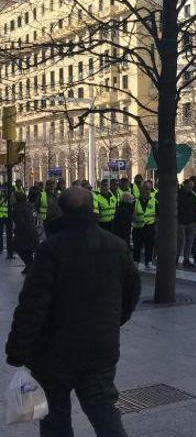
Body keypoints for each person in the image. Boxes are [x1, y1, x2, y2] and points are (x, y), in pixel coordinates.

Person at [5, 186, 141, 437]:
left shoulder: (51, 249)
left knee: (55, 414)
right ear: (92, 208)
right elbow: (132, 291)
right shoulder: (117, 246)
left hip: (55, 349)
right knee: (102, 407)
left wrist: (17, 349)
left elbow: (33, 305)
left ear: (61, 210)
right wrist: (113, 322)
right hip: (101, 346)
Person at [10, 190, 39, 274]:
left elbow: (20, 222)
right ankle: (30, 266)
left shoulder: (18, 208)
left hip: (24, 232)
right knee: (28, 249)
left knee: (19, 248)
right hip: (30, 231)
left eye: (13, 197)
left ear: (17, 199)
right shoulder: (25, 206)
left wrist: (16, 231)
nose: (11, 199)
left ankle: (30, 265)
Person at [132, 181, 157, 269]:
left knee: (149, 245)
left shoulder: (154, 201)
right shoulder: (135, 202)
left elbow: (158, 214)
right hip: (137, 228)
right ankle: (136, 262)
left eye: (148, 190)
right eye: (144, 189)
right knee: (137, 246)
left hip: (149, 227)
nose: (146, 192)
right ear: (141, 191)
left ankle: (148, 262)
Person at [177, 178, 196, 267]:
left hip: (191, 222)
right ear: (185, 185)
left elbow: (195, 209)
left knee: (189, 242)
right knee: (180, 242)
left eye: (191, 186)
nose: (190, 188)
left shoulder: (192, 196)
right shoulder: (178, 194)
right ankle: (176, 258)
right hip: (181, 222)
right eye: (189, 186)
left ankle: (186, 259)